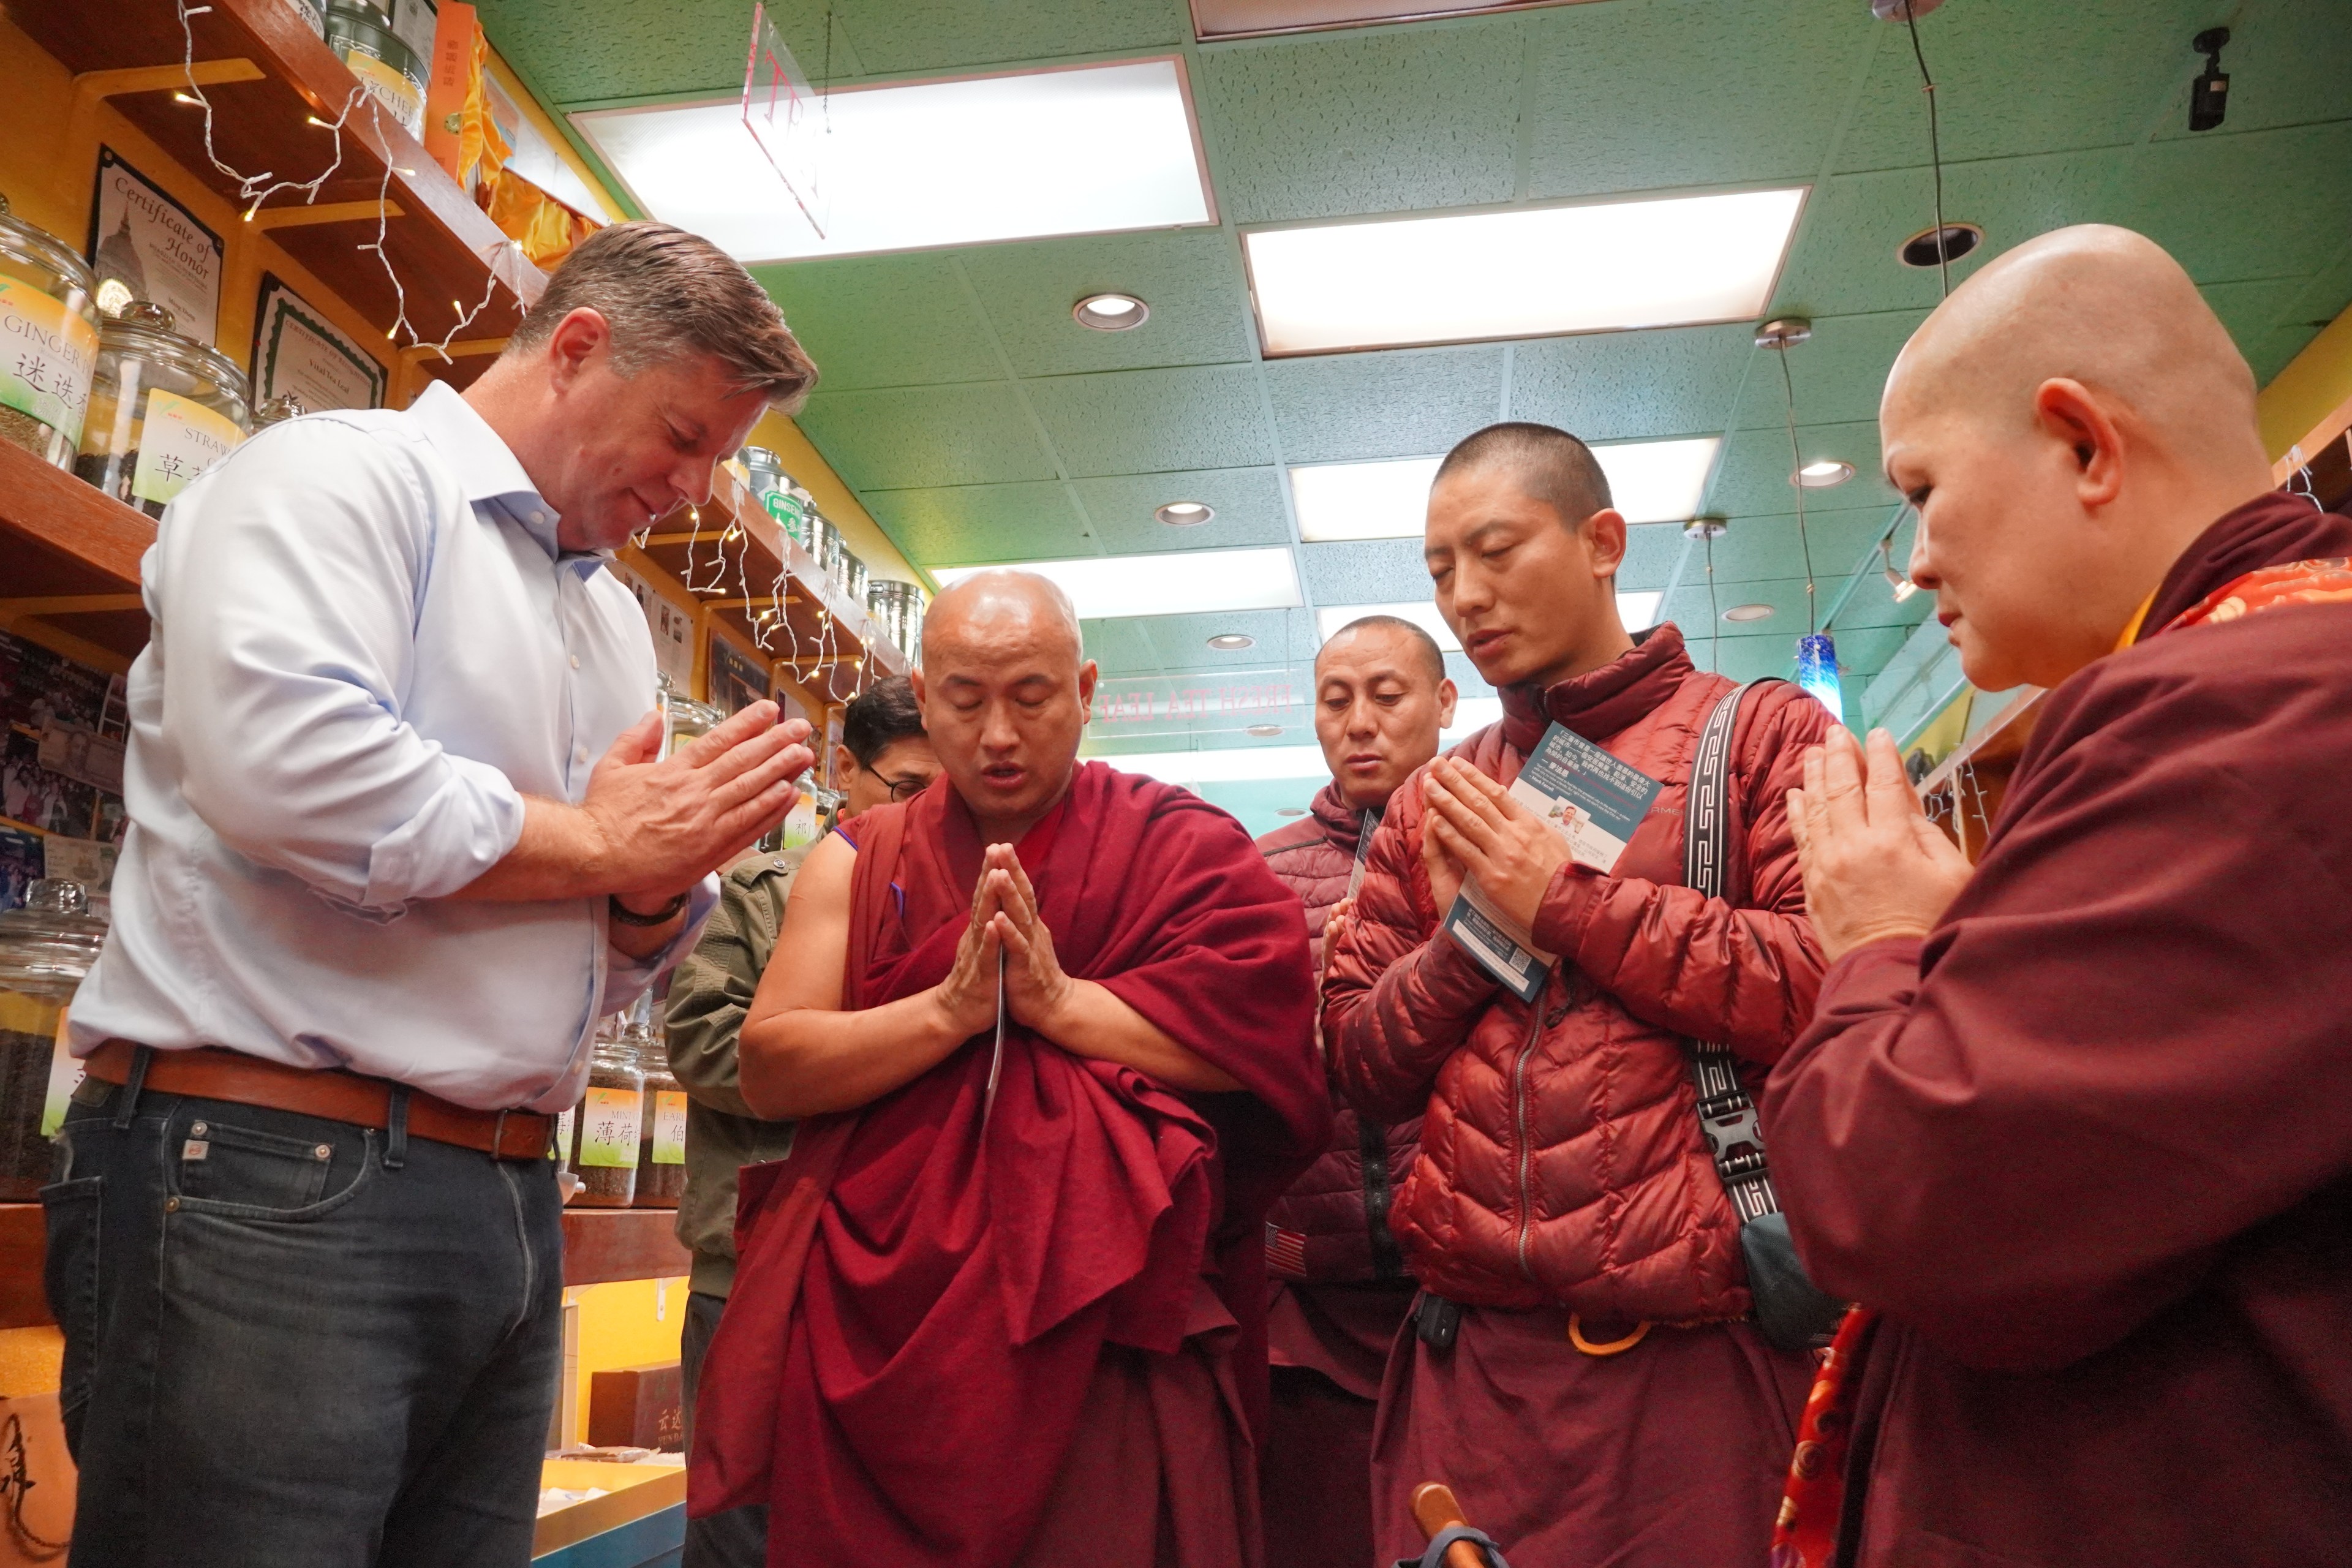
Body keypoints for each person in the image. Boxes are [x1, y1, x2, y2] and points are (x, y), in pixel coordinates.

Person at [47, 221, 820, 1568]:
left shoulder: (613, 621)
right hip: (272, 1176)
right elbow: (294, 772)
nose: (695, 488)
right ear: (578, 347)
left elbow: (600, 949)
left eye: (720, 458)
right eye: (684, 435)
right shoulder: (333, 481)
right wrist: (603, 846)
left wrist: (648, 900)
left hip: (509, 1196)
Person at [1761, 225, 2352, 1568]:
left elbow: (1915, 1198)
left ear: (2082, 443)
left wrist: (1878, 944)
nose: (1911, 562)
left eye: (1921, 488)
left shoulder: (2244, 708)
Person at [688, 569, 1327, 1567]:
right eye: (965, 699)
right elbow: (770, 1066)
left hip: (1102, 1329)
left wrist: (1059, 1004)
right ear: (924, 690)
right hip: (882, 1322)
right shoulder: (858, 858)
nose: (998, 734)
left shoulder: (1178, 846)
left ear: (1086, 690)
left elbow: (1259, 1047)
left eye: (1031, 697)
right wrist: (947, 1011)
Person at [1321, 421, 1837, 1568]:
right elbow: (1358, 1062)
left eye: (1496, 551)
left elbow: (1829, 990)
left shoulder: (1754, 739)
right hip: (1472, 1370)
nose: (1466, 596)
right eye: (1442, 570)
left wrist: (1569, 904)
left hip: (1700, 1361)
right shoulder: (1435, 800)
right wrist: (1472, 940)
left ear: (1603, 541)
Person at [664, 674, 938, 1568]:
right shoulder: (759, 891)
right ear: (844, 771)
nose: (928, 812)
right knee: (741, 1530)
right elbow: (705, 1046)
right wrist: (862, 1062)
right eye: (907, 789)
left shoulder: (970, 901)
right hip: (751, 1265)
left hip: (904, 1279)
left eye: (947, 792)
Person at [1254, 614, 1453, 1568]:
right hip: (1312, 1289)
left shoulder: (1501, 845)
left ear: (1445, 703)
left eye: (1388, 695)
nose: (1360, 722)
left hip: (1468, 1288)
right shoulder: (1263, 870)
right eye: (1337, 701)